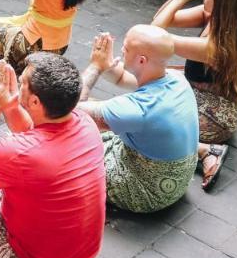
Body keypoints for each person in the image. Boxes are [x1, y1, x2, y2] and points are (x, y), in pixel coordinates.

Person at [0, 53, 106, 258]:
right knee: (1, 169)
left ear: (35, 102)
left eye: (22, 82)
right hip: (83, 255)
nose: (17, 81)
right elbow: (31, 131)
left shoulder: (22, 153)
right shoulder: (83, 121)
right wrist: (11, 104)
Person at [152, 0, 237, 189]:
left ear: (222, 3)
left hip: (214, 119)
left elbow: (153, 35)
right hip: (204, 96)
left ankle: (206, 151)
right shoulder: (217, 18)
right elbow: (162, 19)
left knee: (150, 123)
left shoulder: (216, 46)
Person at [78, 25, 199, 212]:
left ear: (141, 60)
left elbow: (68, 109)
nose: (121, 51)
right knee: (99, 112)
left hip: (147, 191)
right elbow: (121, 79)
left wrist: (95, 66)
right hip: (177, 180)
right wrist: (106, 65)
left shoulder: (135, 109)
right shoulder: (176, 79)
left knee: (65, 142)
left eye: (125, 49)